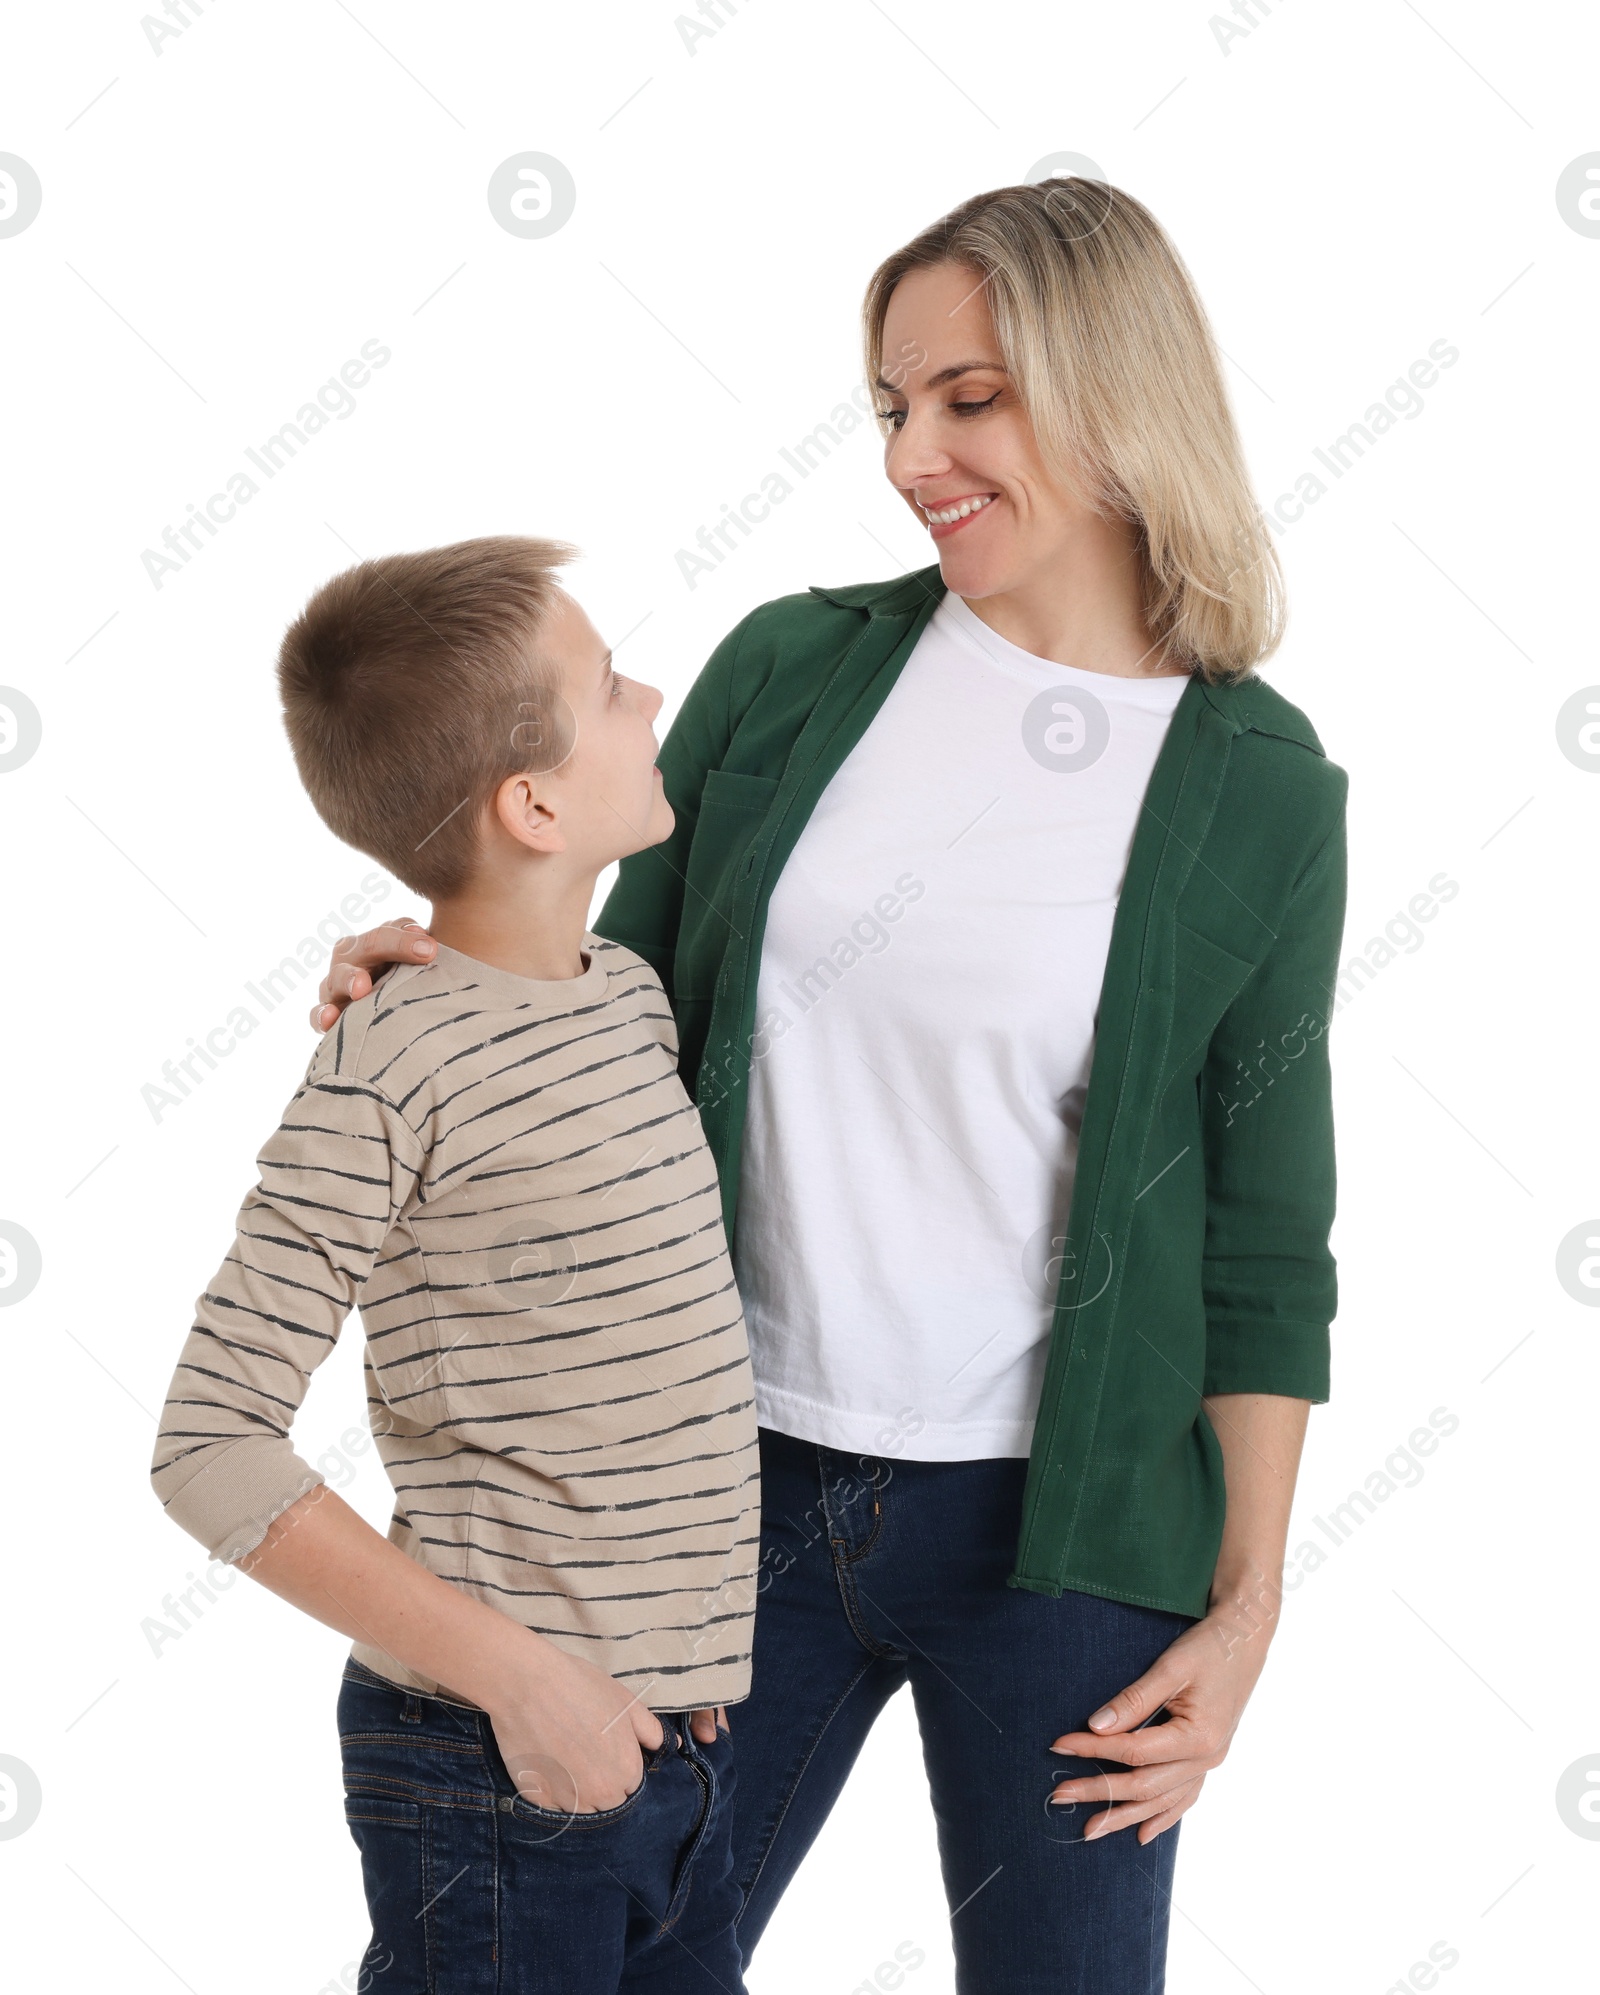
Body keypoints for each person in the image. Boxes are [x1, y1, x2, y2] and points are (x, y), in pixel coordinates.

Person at [309, 178, 1348, 1995]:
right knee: (608, 1963)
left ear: (1115, 391)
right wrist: (446, 967)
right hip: (718, 1492)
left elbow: (1269, 1241)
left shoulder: (1262, 784)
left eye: (971, 398)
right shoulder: (797, 670)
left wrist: (1248, 1613)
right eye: (891, 406)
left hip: (1072, 1547)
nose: (913, 456)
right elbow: (614, 988)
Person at [150, 536, 761, 1994]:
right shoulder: (388, 1065)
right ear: (533, 803)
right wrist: (529, 1684)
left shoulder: (624, 998)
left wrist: (662, 1663)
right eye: (611, 686)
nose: (656, 693)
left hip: (673, 1758)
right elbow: (207, 1447)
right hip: (493, 1768)